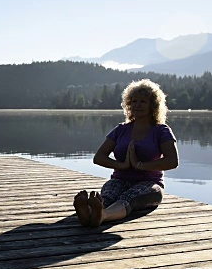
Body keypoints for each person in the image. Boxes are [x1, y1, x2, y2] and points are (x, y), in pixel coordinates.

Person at [74, 79, 179, 227]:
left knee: (128, 198)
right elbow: (99, 157)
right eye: (134, 101)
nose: (137, 105)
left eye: (143, 101)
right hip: (119, 179)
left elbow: (172, 161)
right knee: (108, 197)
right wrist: (122, 165)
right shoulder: (121, 129)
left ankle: (101, 215)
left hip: (150, 183)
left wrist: (139, 165)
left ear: (153, 105)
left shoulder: (161, 131)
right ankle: (89, 214)